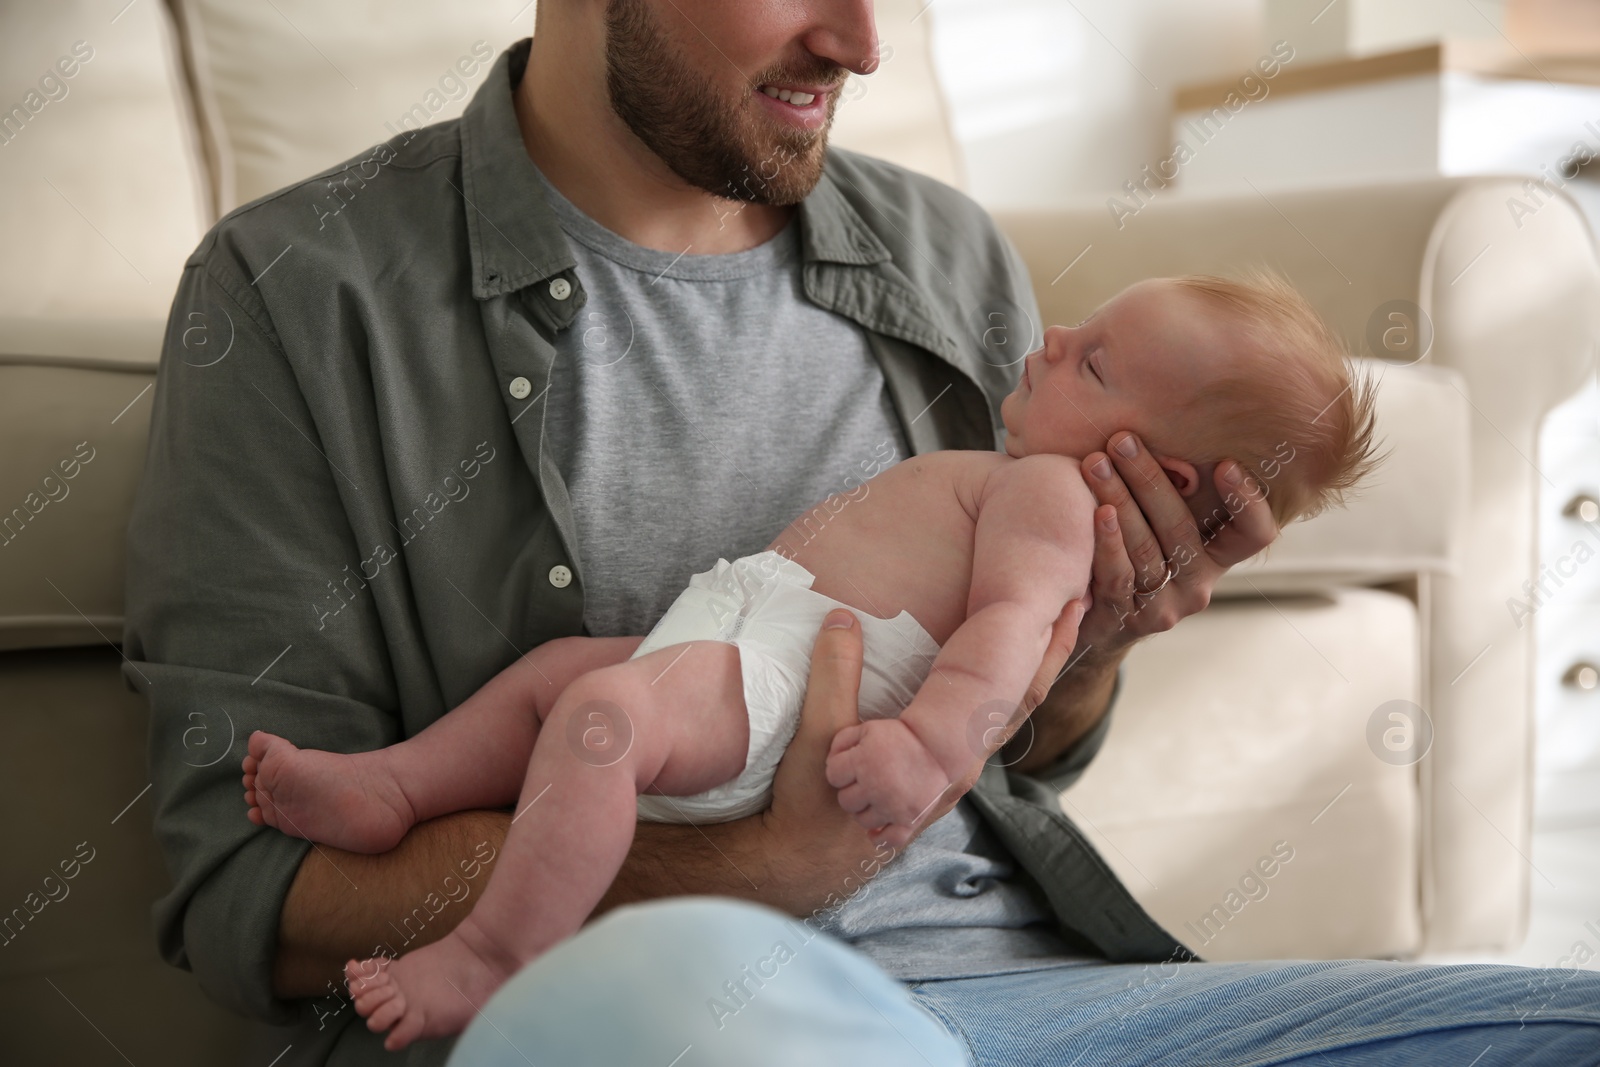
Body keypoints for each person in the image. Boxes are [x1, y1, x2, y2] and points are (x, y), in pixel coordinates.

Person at [121, 2, 1599, 1064]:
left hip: (1053, 1005)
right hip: (683, 1008)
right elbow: (246, 894)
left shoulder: (946, 251)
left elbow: (1019, 731)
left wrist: (1091, 648)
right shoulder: (300, 292)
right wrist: (757, 870)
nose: (865, 40)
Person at [241, 272, 1382, 1049]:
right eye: (1079, 328)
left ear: (1158, 470)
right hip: (754, 631)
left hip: (797, 681)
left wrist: (931, 741)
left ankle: (494, 950)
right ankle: (395, 783)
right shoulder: (1027, 472)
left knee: (594, 710)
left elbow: (1001, 636)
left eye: (1094, 367)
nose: (1049, 341)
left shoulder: (1044, 492)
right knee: (566, 680)